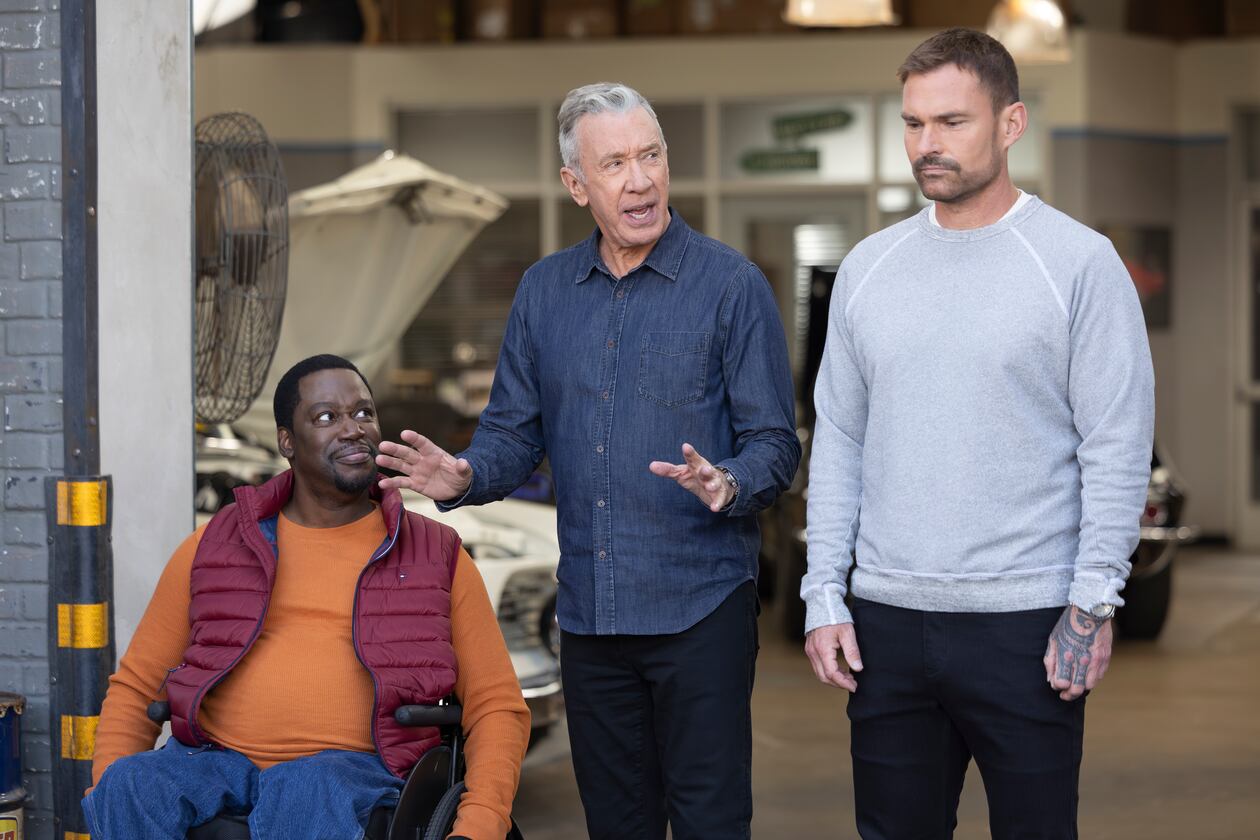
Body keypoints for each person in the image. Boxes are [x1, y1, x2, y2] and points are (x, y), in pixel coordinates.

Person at [376, 82, 800, 839]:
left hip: (701, 609)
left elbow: (776, 443)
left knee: (710, 822)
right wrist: (466, 475)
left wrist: (728, 481)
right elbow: (513, 434)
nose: (640, 180)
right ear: (577, 185)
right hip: (591, 619)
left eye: (650, 156)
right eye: (615, 164)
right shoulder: (544, 292)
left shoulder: (731, 287)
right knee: (615, 824)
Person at [801, 28, 1154, 840]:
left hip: (1026, 624)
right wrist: (824, 592)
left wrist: (1091, 604)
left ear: (1011, 123)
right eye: (913, 123)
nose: (927, 144)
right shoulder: (868, 269)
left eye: (952, 122)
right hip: (886, 624)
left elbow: (1116, 443)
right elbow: (841, 439)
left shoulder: (1078, 264)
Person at [83, 354, 530, 840]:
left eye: (363, 413)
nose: (353, 428)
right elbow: (137, 686)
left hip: (357, 770)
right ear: (287, 442)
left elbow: (496, 706)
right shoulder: (215, 544)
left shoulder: (434, 553)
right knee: (130, 785)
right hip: (215, 760)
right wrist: (108, 784)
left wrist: (477, 827)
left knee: (305, 788)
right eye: (326, 417)